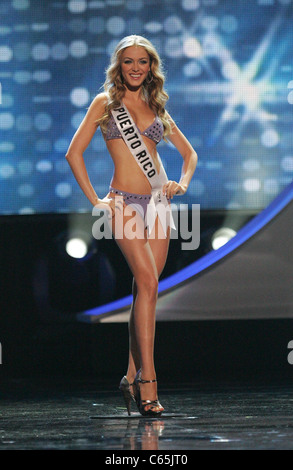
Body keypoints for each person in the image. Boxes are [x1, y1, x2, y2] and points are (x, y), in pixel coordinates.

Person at [65, 35, 198, 417]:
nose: (136, 67)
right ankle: (149, 381)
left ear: (151, 66)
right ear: (118, 66)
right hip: (123, 203)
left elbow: (189, 155)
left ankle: (128, 376)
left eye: (143, 61)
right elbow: (74, 153)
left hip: (158, 203)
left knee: (147, 290)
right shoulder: (105, 104)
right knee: (149, 282)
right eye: (128, 61)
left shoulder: (156, 105)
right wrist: (97, 202)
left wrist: (182, 183)